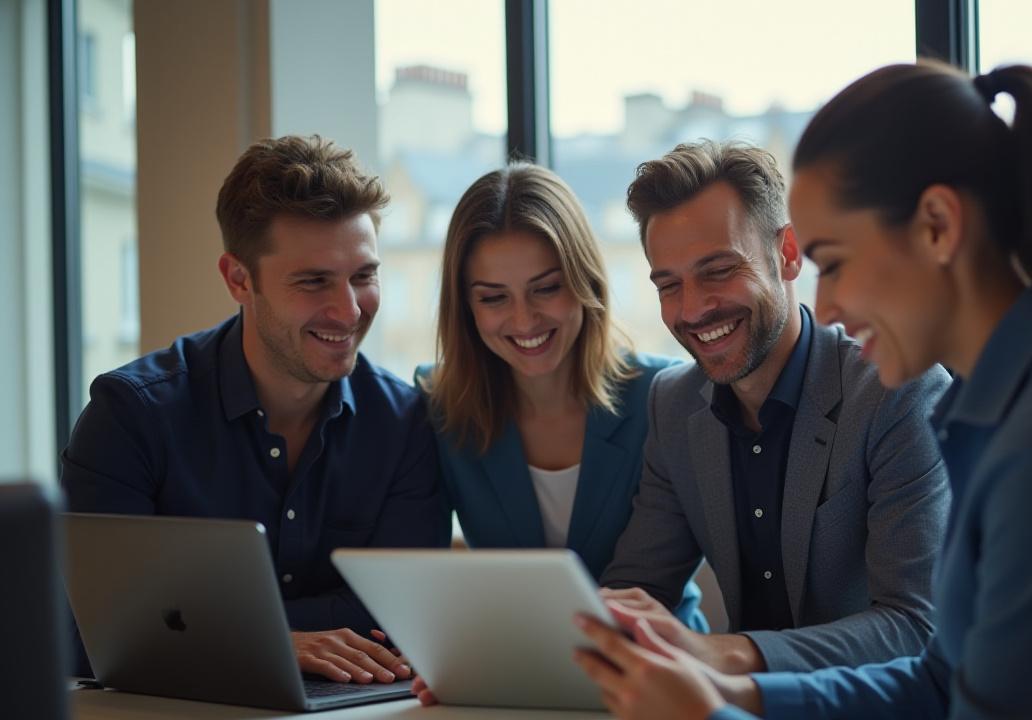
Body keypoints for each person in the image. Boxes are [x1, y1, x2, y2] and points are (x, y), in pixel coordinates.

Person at [573, 62, 1032, 719]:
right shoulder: (1016, 406)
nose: (831, 307)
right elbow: (945, 683)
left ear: (938, 226)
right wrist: (741, 698)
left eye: (835, 264)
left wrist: (714, 709)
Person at [62, 135, 450, 685]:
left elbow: (405, 621)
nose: (348, 309)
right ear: (238, 279)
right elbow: (87, 635)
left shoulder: (405, 422)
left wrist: (198, 629)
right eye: (314, 281)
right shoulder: (131, 416)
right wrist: (276, 642)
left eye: (363, 276)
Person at [596, 140, 952, 675]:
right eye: (669, 285)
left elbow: (915, 626)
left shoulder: (896, 391)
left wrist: (729, 652)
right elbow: (636, 590)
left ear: (786, 255)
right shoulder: (673, 404)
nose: (692, 309)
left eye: (717, 271)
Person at [408, 163, 706, 706]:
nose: (523, 321)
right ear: (465, 305)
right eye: (493, 297)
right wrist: (461, 655)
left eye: (546, 289)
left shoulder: (667, 396)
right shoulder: (440, 406)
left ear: (585, 281)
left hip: (661, 681)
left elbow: (648, 589)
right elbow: (422, 583)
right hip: (517, 685)